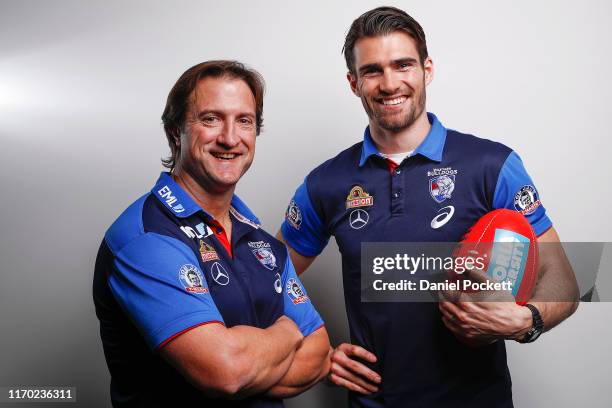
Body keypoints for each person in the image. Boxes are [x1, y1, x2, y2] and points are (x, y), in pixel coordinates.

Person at [278, 7, 579, 408]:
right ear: (353, 83)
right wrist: (316, 356)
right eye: (372, 71)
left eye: (403, 65)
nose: (389, 84)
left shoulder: (492, 165)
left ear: (427, 69)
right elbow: (268, 279)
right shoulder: (325, 183)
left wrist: (527, 321)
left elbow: (564, 281)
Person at [93, 60, 331, 407]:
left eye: (244, 121)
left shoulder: (262, 241)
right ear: (177, 131)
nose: (230, 138)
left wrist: (248, 355)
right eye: (211, 119)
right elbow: (226, 373)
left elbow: (319, 355)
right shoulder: (146, 237)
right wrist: (287, 332)